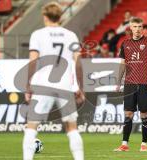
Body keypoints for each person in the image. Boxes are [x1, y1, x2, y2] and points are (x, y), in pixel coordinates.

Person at [23, 2, 84, 160]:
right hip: (64, 85)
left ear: (45, 17)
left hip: (43, 84)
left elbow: (33, 61)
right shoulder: (70, 35)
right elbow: (78, 63)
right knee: (72, 128)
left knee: (31, 126)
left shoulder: (38, 34)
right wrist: (80, 87)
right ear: (61, 16)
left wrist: (28, 85)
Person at [114, 17, 147, 152]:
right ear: (130, 28)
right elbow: (122, 64)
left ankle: (144, 144)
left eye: (140, 27)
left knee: (144, 113)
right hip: (129, 83)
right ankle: (124, 144)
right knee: (128, 114)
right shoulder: (125, 44)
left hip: (144, 83)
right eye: (135, 27)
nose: (137, 29)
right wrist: (118, 81)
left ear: (142, 28)